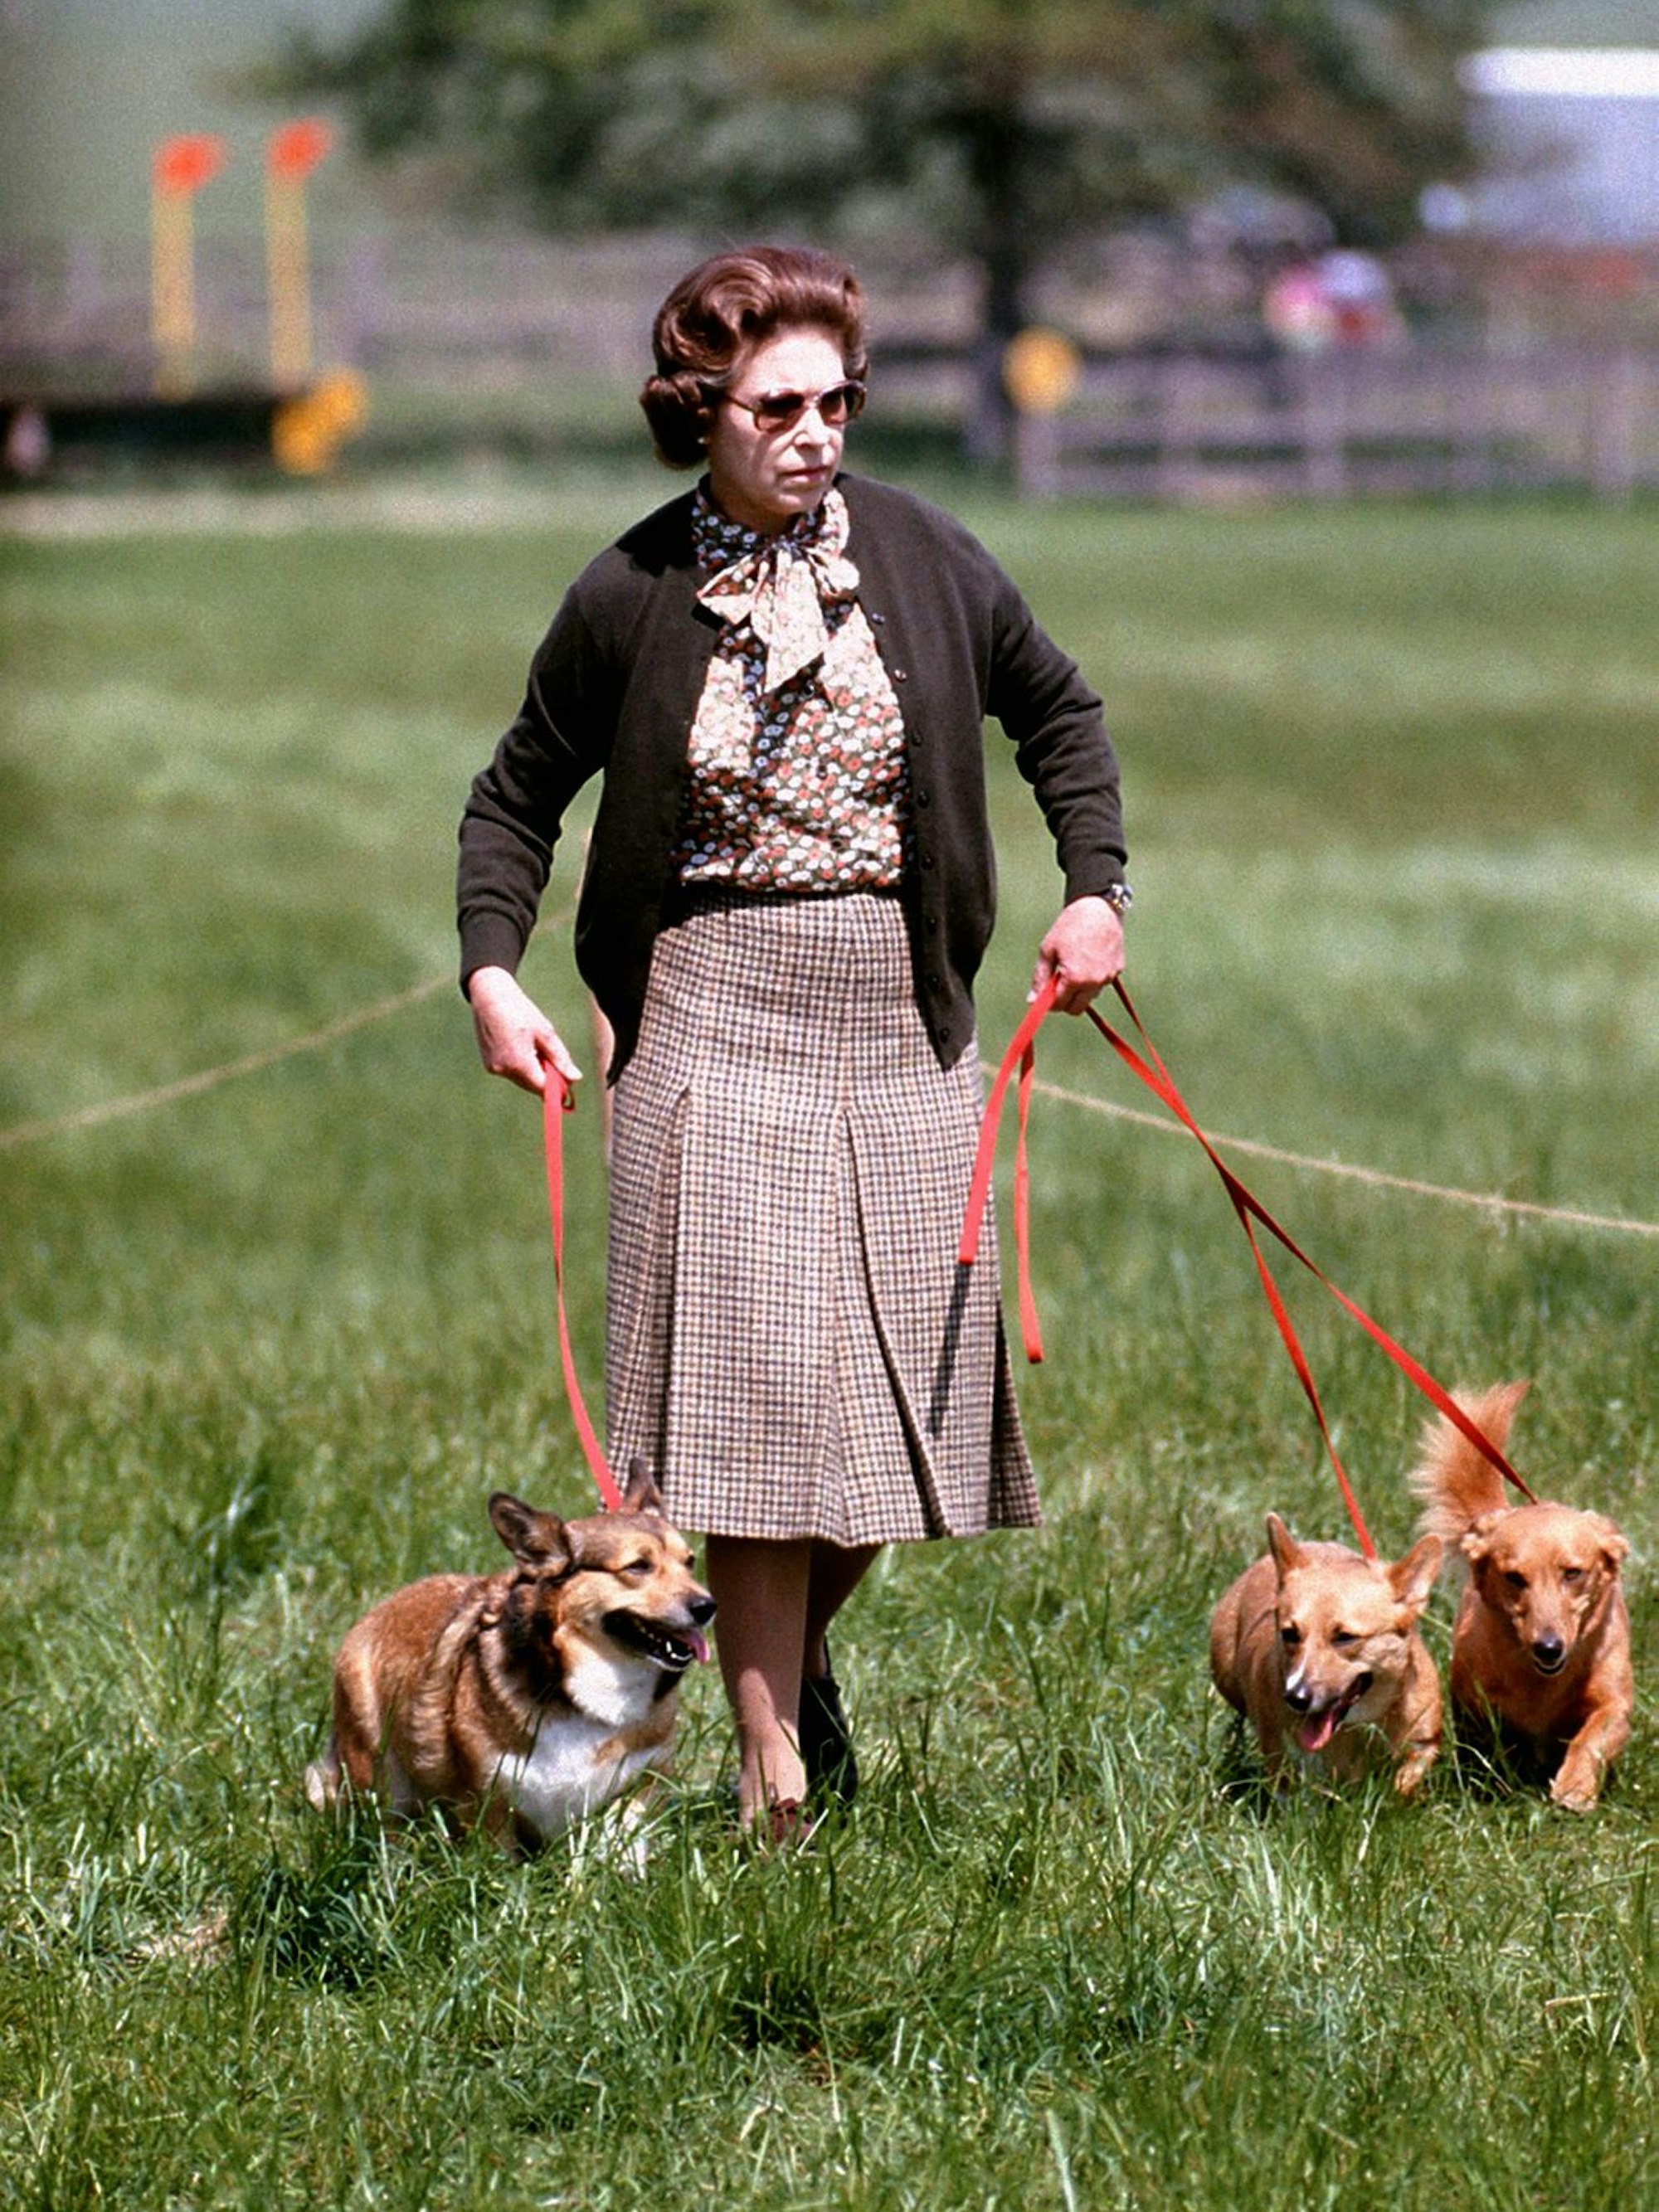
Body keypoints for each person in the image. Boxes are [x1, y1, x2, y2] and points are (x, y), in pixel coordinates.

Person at [458, 246, 1129, 1837]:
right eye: (777, 406)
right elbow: (513, 801)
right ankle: (776, 1790)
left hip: (901, 1014)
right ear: (704, 411)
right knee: (760, 1416)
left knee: (892, 1427)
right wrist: (495, 975)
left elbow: (1063, 715)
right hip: (708, 1014)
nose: (816, 431)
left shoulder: (926, 554)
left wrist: (1097, 890)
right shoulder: (625, 595)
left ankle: (785, 1663)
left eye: (838, 401)